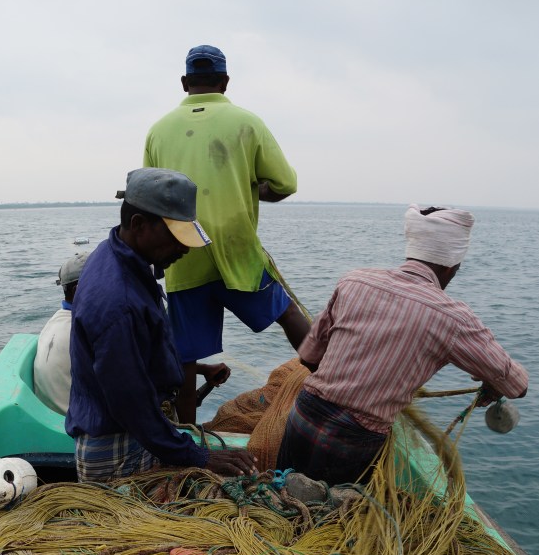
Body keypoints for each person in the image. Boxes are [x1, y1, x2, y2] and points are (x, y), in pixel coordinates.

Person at [277, 205, 529, 486]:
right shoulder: (454, 318)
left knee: (282, 494)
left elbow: (310, 357)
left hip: (304, 415)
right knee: (329, 518)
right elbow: (517, 386)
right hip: (354, 438)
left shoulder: (354, 281)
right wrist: (492, 382)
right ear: (450, 266)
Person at [143, 44, 310, 423]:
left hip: (182, 251)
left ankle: (186, 435)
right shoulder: (247, 122)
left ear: (185, 82)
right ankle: (334, 395)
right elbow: (285, 184)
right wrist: (254, 189)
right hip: (238, 251)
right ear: (225, 81)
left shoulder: (158, 130)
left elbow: (151, 196)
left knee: (186, 353)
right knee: (287, 315)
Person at [65, 167, 257, 483]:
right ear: (139, 225)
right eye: (175, 238)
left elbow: (142, 355)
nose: (184, 248)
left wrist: (197, 370)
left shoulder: (117, 256)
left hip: (137, 432)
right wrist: (201, 458)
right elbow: (132, 405)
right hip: (120, 446)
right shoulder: (119, 300)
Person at [33, 252, 90, 414]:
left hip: (55, 417)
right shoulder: (83, 331)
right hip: (73, 424)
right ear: (78, 289)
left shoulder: (55, 321)